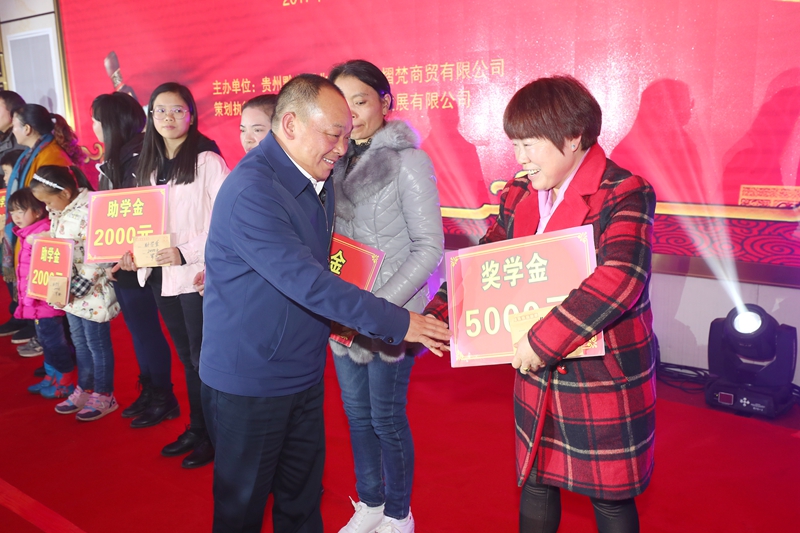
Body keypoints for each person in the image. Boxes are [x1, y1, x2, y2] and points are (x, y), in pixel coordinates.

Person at [199, 74, 451, 533]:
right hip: (251, 379)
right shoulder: (253, 189)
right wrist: (399, 322)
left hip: (301, 370)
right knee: (242, 509)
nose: (342, 147)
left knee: (300, 500)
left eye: (347, 134)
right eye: (334, 134)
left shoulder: (316, 176)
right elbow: (310, 283)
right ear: (291, 124)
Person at [424, 76, 657, 533]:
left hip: (600, 370)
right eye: (515, 145)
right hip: (534, 364)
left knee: (609, 497)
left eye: (529, 145)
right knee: (535, 479)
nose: (520, 158)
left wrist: (543, 340)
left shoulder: (623, 191)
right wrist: (439, 317)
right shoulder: (519, 192)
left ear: (573, 137)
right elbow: (486, 262)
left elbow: (621, 278)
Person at [328, 60, 443, 533]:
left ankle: (399, 513)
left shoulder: (408, 161)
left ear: (385, 102)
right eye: (342, 105)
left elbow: (429, 246)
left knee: (386, 418)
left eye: (360, 101)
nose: (351, 114)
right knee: (356, 416)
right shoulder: (330, 161)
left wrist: (377, 309)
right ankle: (371, 504)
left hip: (390, 313)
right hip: (342, 311)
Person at [117, 82, 229, 468]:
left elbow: (226, 221)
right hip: (160, 276)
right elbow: (142, 223)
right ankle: (198, 428)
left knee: (202, 359)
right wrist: (132, 253)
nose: (168, 117)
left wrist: (186, 252)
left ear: (191, 115)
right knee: (187, 357)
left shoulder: (207, 161)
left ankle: (215, 435)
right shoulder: (147, 166)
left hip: (196, 277)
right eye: (160, 110)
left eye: (177, 110)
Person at [90, 92, 174, 426]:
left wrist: (130, 256)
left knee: (147, 331)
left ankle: (163, 396)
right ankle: (150, 389)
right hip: (121, 262)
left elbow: (146, 214)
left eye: (96, 120)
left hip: (142, 261)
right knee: (139, 332)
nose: (93, 126)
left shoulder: (141, 157)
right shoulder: (116, 159)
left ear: (111, 123)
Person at [30, 166, 121, 421]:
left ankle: (104, 393)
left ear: (65, 192)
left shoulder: (91, 209)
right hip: (69, 292)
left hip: (91, 292)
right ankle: (85, 388)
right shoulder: (61, 209)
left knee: (97, 345)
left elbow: (100, 250)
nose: (47, 206)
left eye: (48, 201)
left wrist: (83, 282)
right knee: (80, 343)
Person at [4, 103, 82, 347]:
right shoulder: (34, 153)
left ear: (27, 128)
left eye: (15, 126)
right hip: (34, 233)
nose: (13, 131)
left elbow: (55, 202)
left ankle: (58, 353)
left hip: (46, 235)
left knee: (53, 304)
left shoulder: (51, 155)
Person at [9, 187, 75, 393]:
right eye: (12, 212)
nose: (15, 217)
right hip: (35, 303)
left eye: (21, 211)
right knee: (46, 342)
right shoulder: (27, 234)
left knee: (54, 343)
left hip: (46, 302)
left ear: (38, 211)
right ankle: (51, 376)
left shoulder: (44, 234)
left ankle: (64, 381)